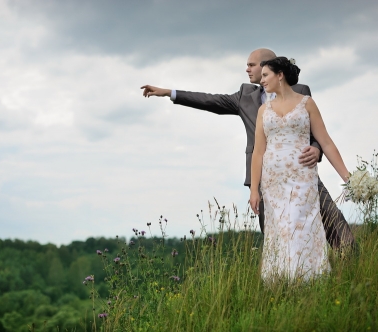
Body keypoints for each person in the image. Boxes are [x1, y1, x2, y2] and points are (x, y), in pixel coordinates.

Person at [140, 48, 355, 250]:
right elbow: (210, 100)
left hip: (301, 172)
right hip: (264, 178)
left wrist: (316, 149)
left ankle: (351, 262)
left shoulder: (301, 92)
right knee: (275, 236)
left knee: (333, 222)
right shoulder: (245, 96)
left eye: (251, 65)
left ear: (268, 67)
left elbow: (315, 132)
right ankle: (286, 283)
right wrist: (169, 92)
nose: (247, 69)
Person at [249, 57, 350, 281]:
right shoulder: (263, 110)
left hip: (302, 176)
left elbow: (326, 142)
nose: (262, 80)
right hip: (273, 180)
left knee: (300, 222)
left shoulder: (307, 103)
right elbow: (258, 152)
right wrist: (254, 190)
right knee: (281, 229)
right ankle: (282, 280)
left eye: (265, 75)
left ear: (280, 75)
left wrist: (348, 178)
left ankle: (306, 278)